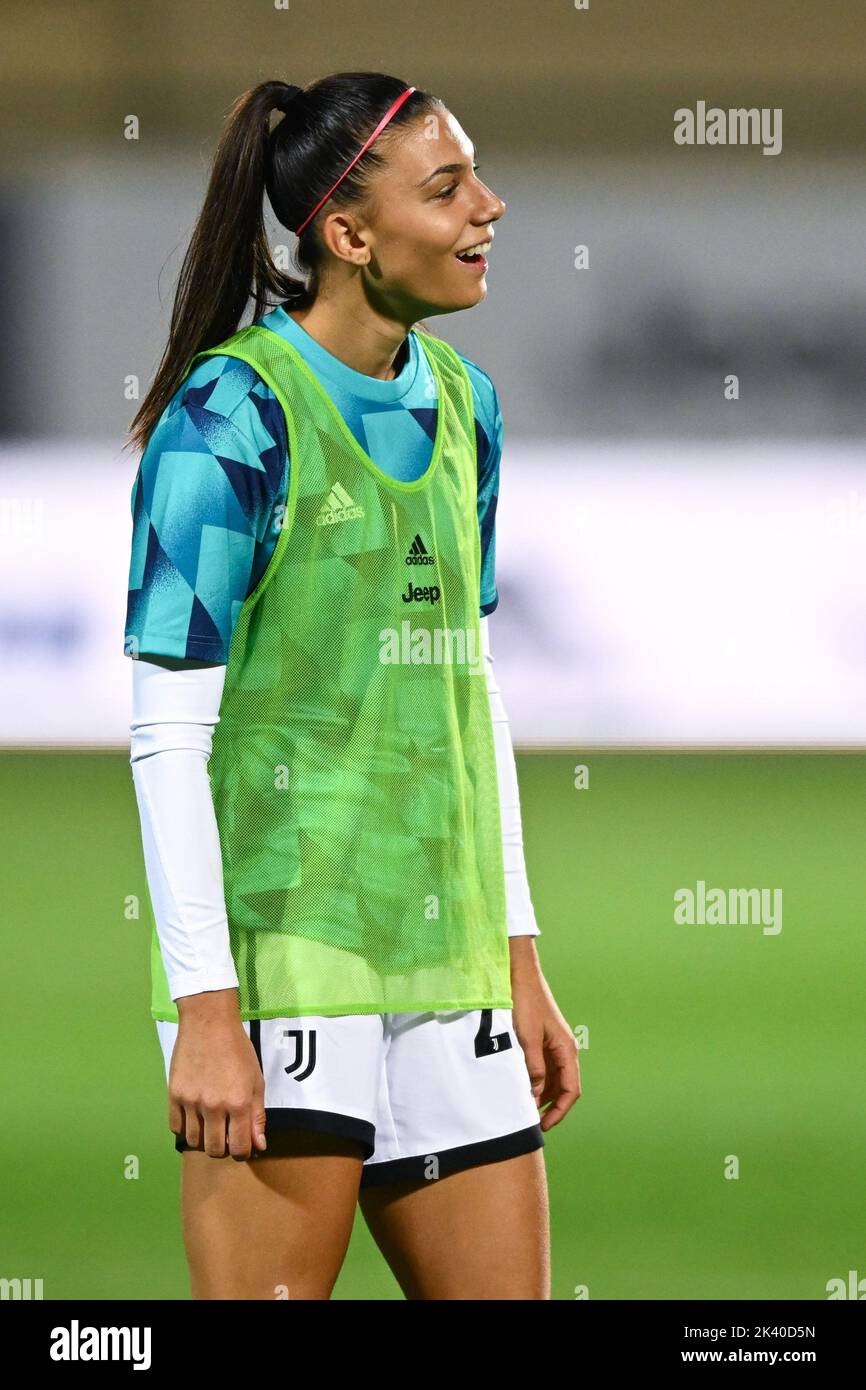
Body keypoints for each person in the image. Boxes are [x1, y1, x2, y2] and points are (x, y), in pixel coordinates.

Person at [123, 71, 580, 1301]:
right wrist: (207, 1007)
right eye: (447, 187)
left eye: (474, 175)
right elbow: (167, 735)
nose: (488, 206)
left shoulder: (467, 405)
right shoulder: (230, 417)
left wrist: (514, 950)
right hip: (286, 965)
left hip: (449, 965)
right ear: (347, 233)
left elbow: (468, 695)